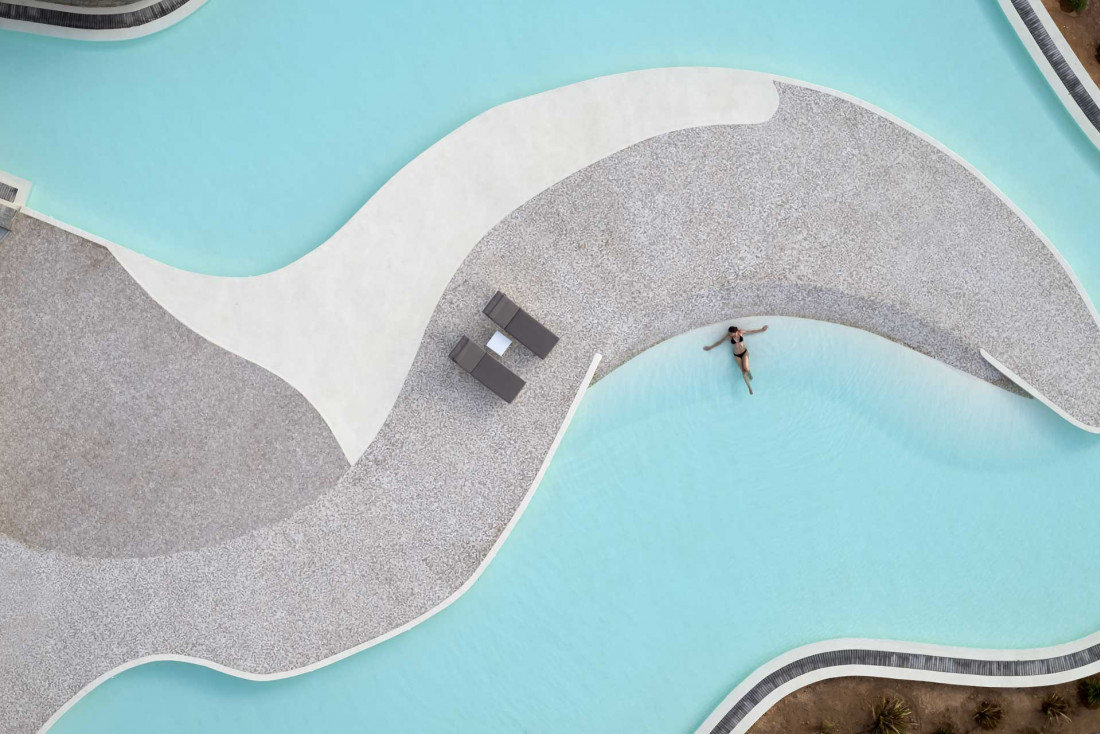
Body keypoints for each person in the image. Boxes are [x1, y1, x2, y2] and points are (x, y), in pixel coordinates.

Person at [704, 324, 769, 395]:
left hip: (744, 353)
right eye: (730, 333)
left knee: (746, 368)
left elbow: (751, 331)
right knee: (743, 371)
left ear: (736, 331)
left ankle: (750, 376)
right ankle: (749, 388)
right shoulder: (728, 336)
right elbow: (720, 342)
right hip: (737, 355)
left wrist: (761, 329)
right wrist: (710, 347)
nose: (731, 335)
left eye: (732, 333)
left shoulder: (741, 332)